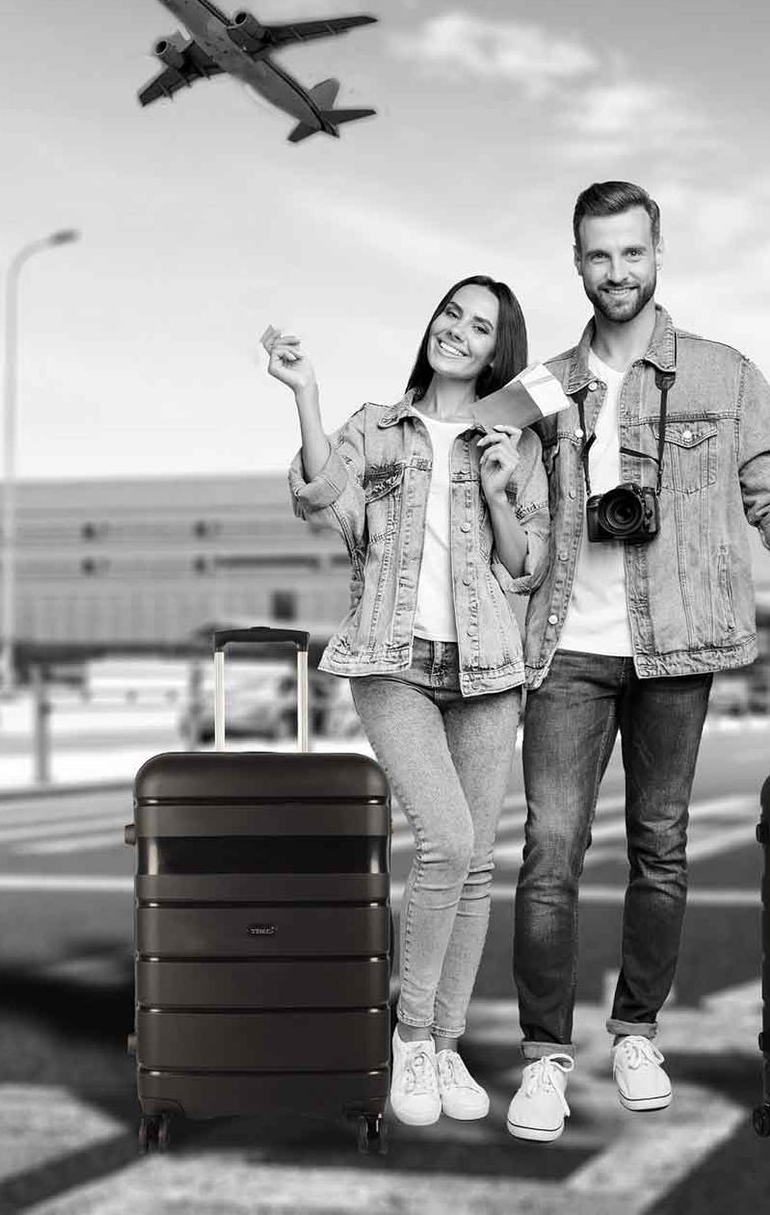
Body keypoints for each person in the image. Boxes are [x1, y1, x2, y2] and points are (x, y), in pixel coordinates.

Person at [505, 181, 770, 1144]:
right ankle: (544, 1055)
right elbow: (480, 501)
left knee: (659, 848)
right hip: (566, 646)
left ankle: (635, 1031)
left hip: (677, 644)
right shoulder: (543, 385)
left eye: (631, 253)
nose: (615, 272)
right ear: (575, 261)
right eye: (597, 256)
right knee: (549, 849)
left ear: (657, 253)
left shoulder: (723, 373)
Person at [263, 276, 549, 1130]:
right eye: (450, 313)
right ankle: (411, 1035)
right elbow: (319, 497)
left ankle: (448, 1041)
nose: (456, 331)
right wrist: (305, 392)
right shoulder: (376, 426)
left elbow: (523, 564)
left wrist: (500, 487)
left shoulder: (513, 441)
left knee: (474, 867)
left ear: (499, 348)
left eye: (478, 325)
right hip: (391, 661)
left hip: (488, 668)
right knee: (448, 841)